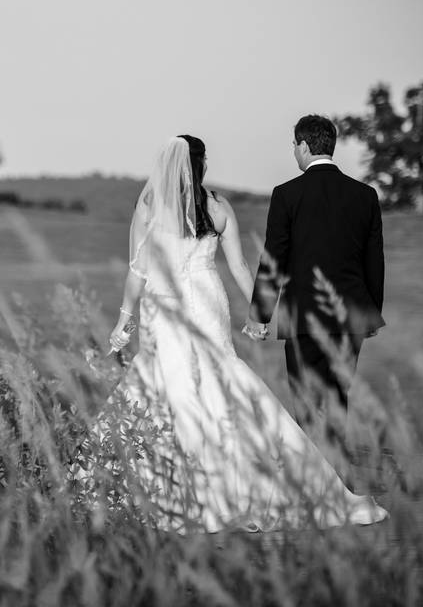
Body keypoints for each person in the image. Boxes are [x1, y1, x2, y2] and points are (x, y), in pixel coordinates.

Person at [104, 135, 386, 533]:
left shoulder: (150, 204)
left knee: (163, 378)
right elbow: (237, 266)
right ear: (201, 164)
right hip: (206, 299)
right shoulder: (218, 206)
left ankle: (163, 486)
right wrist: (259, 315)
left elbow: (138, 269)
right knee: (221, 377)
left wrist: (123, 318)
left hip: (163, 302)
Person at [245, 115, 385, 468]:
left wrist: (260, 317)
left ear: (305, 146)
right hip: (350, 317)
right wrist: (369, 315)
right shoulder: (365, 196)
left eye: (294, 146)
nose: (293, 152)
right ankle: (337, 475)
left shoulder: (287, 195)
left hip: (303, 315)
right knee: (338, 396)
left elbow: (274, 259)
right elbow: (374, 263)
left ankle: (313, 480)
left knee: (305, 401)